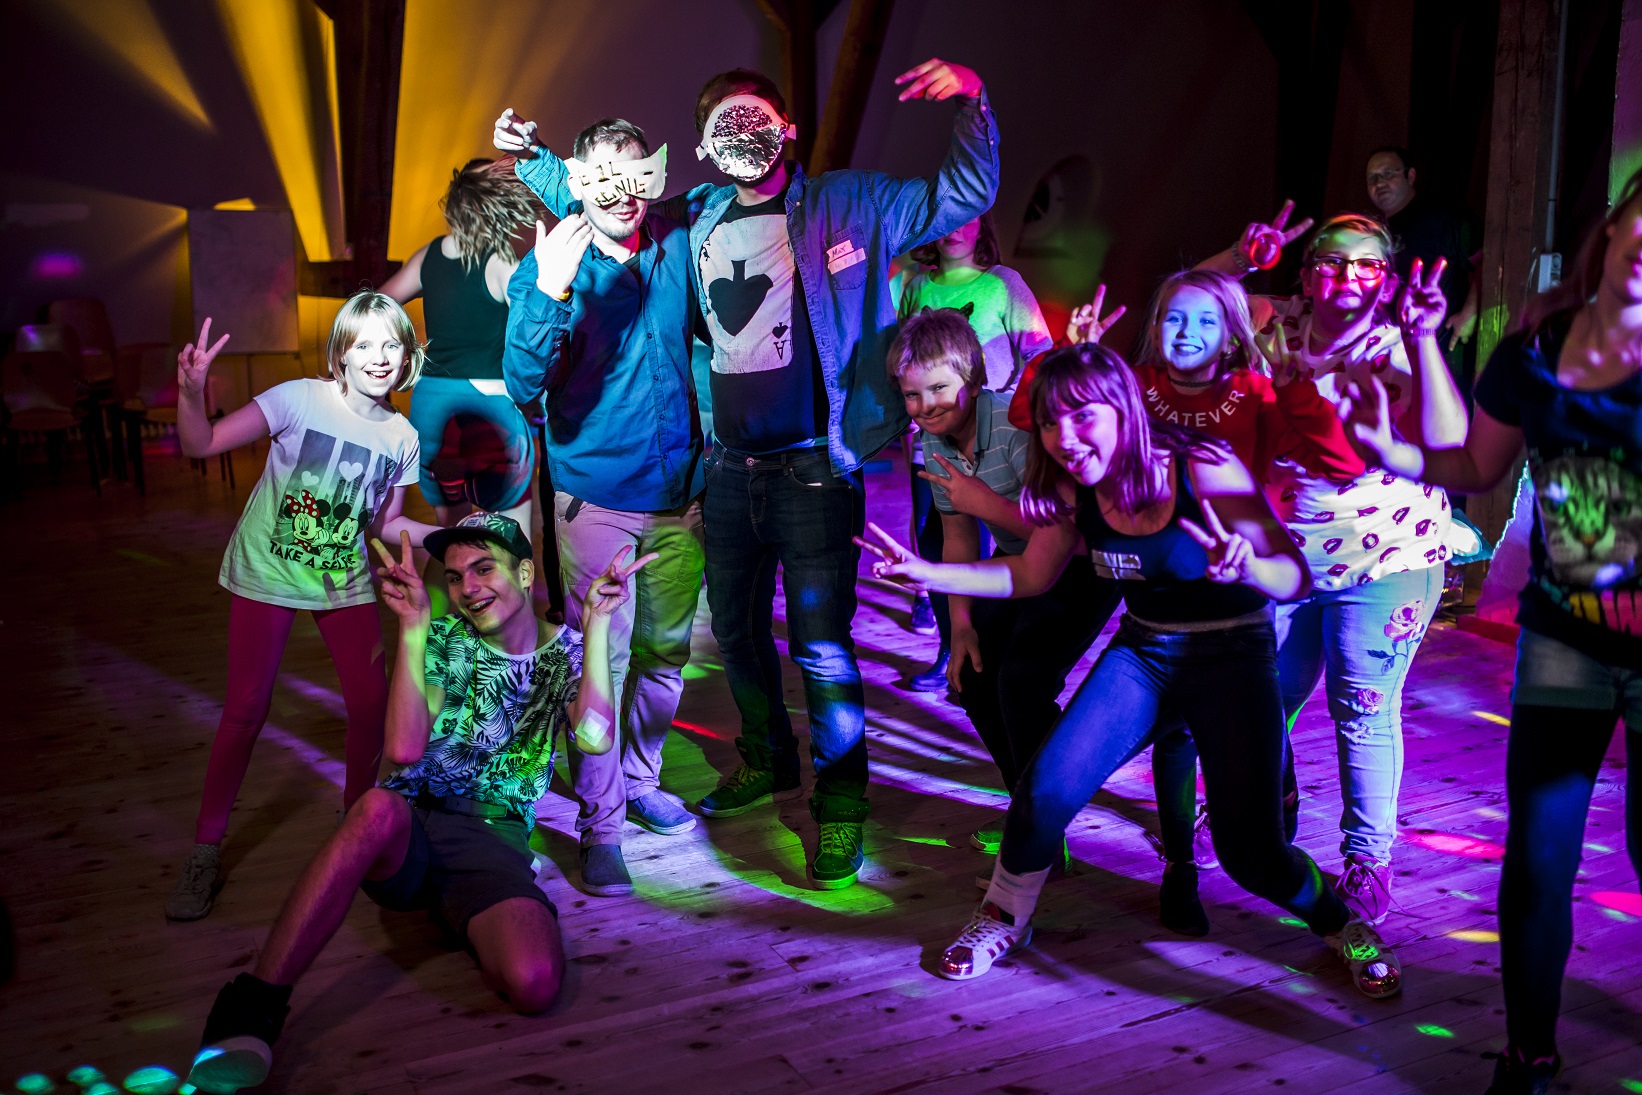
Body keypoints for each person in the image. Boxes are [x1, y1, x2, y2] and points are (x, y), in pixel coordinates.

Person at [499, 56, 1001, 889]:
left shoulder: (841, 203)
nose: (741, 135)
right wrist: (537, 167)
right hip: (715, 475)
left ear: (786, 127)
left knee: (817, 649)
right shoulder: (689, 218)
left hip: (804, 470)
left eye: (754, 118)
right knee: (722, 637)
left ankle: (838, 805)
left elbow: (965, 193)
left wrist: (974, 102)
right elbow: (602, 202)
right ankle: (748, 767)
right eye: (723, 123)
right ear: (702, 143)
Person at [860, 344, 1400, 1000]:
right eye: (1051, 422)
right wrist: (928, 574)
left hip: (1232, 656)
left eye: (1083, 416)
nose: (1065, 437)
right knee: (1043, 789)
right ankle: (1003, 916)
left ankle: (1342, 923)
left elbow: (1293, 576)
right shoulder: (1072, 484)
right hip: (1145, 653)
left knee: (1252, 854)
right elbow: (1030, 573)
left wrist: (1249, 566)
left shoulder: (1203, 466)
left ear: (1123, 409)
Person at [1345, 167, 1642, 1095]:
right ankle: (1529, 1054)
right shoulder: (1538, 349)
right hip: (1567, 639)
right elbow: (1475, 464)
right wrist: (1395, 441)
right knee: (1540, 857)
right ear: (1615, 230)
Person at [182, 513, 648, 1093]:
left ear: (525, 574)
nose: (468, 587)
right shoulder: (445, 638)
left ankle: (456, 906)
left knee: (535, 984)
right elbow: (403, 749)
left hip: (491, 838)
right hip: (412, 822)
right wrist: (411, 628)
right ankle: (253, 1008)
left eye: (483, 569)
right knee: (374, 807)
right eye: (454, 576)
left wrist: (598, 625)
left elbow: (596, 739)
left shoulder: (567, 653)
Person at [1015, 269, 1365, 933]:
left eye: (1206, 321)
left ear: (1233, 334)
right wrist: (1071, 356)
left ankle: (1275, 839)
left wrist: (1294, 388)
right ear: (1154, 327)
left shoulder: (1254, 389)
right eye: (1173, 317)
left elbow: (1336, 461)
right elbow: (1044, 416)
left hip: (1238, 581)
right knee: (1171, 738)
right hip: (1156, 589)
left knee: (1248, 816)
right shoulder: (1135, 382)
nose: (1186, 333)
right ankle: (1180, 865)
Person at [1201, 211, 1471, 926]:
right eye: (1332, 260)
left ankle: (1367, 859)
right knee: (1262, 697)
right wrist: (1236, 257)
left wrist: (1424, 338)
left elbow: (1449, 441)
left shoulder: (1393, 343)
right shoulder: (1272, 323)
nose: (1349, 274)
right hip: (1283, 557)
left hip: (1388, 557)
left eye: (1367, 263)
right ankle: (1257, 805)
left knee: (1362, 707)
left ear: (1387, 279)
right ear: (1306, 271)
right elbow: (1187, 300)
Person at [165, 293, 439, 923]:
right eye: (364, 345)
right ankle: (205, 850)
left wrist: (453, 533)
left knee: (370, 706)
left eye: (391, 345)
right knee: (246, 710)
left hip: (343, 580)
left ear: (407, 357)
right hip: (267, 572)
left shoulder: (402, 437)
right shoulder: (298, 399)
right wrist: (191, 392)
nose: (378, 357)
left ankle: (355, 825)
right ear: (340, 354)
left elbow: (385, 524)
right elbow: (201, 444)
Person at [501, 117, 707, 898]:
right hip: (596, 501)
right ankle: (601, 826)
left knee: (664, 657)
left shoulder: (674, 240)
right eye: (602, 178)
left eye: (635, 174)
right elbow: (524, 385)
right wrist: (551, 290)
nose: (622, 192)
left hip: (679, 496)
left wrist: (535, 157)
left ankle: (641, 779)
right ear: (579, 184)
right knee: (600, 667)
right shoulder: (553, 261)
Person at [890, 307, 1117, 872]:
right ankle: (1029, 809)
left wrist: (981, 501)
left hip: (1083, 569)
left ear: (972, 380)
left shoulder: (1016, 428)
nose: (925, 406)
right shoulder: (934, 444)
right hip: (1017, 565)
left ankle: (1043, 822)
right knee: (971, 677)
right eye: (912, 395)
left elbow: (1058, 535)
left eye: (938, 389)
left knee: (1022, 685)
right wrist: (960, 627)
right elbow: (958, 535)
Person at [899, 213, 1054, 689]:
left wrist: (1006, 406)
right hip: (938, 442)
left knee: (1003, 533)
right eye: (947, 217)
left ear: (984, 225)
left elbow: (1040, 351)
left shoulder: (1003, 283)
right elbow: (906, 356)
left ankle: (997, 651)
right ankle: (953, 647)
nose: (955, 228)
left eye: (968, 217)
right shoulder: (915, 285)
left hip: (999, 435)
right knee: (938, 535)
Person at [380, 158, 537, 532]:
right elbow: (532, 336)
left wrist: (401, 355)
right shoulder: (501, 260)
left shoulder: (428, 256)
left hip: (432, 406)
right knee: (512, 541)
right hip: (490, 408)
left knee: (453, 539)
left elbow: (376, 303)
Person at [1365, 146, 1481, 405]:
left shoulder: (1443, 216)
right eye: (1372, 178)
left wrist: (1470, 313)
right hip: (1392, 350)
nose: (1379, 183)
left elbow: (1485, 258)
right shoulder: (1373, 232)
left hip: (1442, 344)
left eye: (1388, 174)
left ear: (1411, 175)